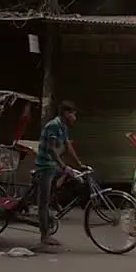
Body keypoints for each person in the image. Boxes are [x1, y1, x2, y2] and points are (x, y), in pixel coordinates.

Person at [34, 101, 83, 249]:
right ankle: (44, 236)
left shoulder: (62, 126)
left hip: (52, 166)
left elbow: (68, 146)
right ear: (66, 114)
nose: (74, 117)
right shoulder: (53, 125)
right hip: (45, 166)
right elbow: (51, 149)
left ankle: (53, 214)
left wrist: (80, 164)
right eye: (73, 114)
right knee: (43, 203)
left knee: (65, 184)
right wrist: (63, 166)